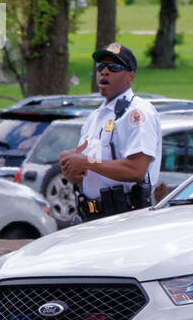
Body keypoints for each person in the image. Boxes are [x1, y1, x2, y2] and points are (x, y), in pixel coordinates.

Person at [58, 42, 161, 221]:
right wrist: (72, 168)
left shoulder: (137, 112)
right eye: (100, 67)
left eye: (113, 67)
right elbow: (90, 171)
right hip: (91, 215)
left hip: (125, 217)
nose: (104, 72)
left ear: (130, 76)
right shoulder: (94, 118)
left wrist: (86, 162)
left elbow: (136, 169)